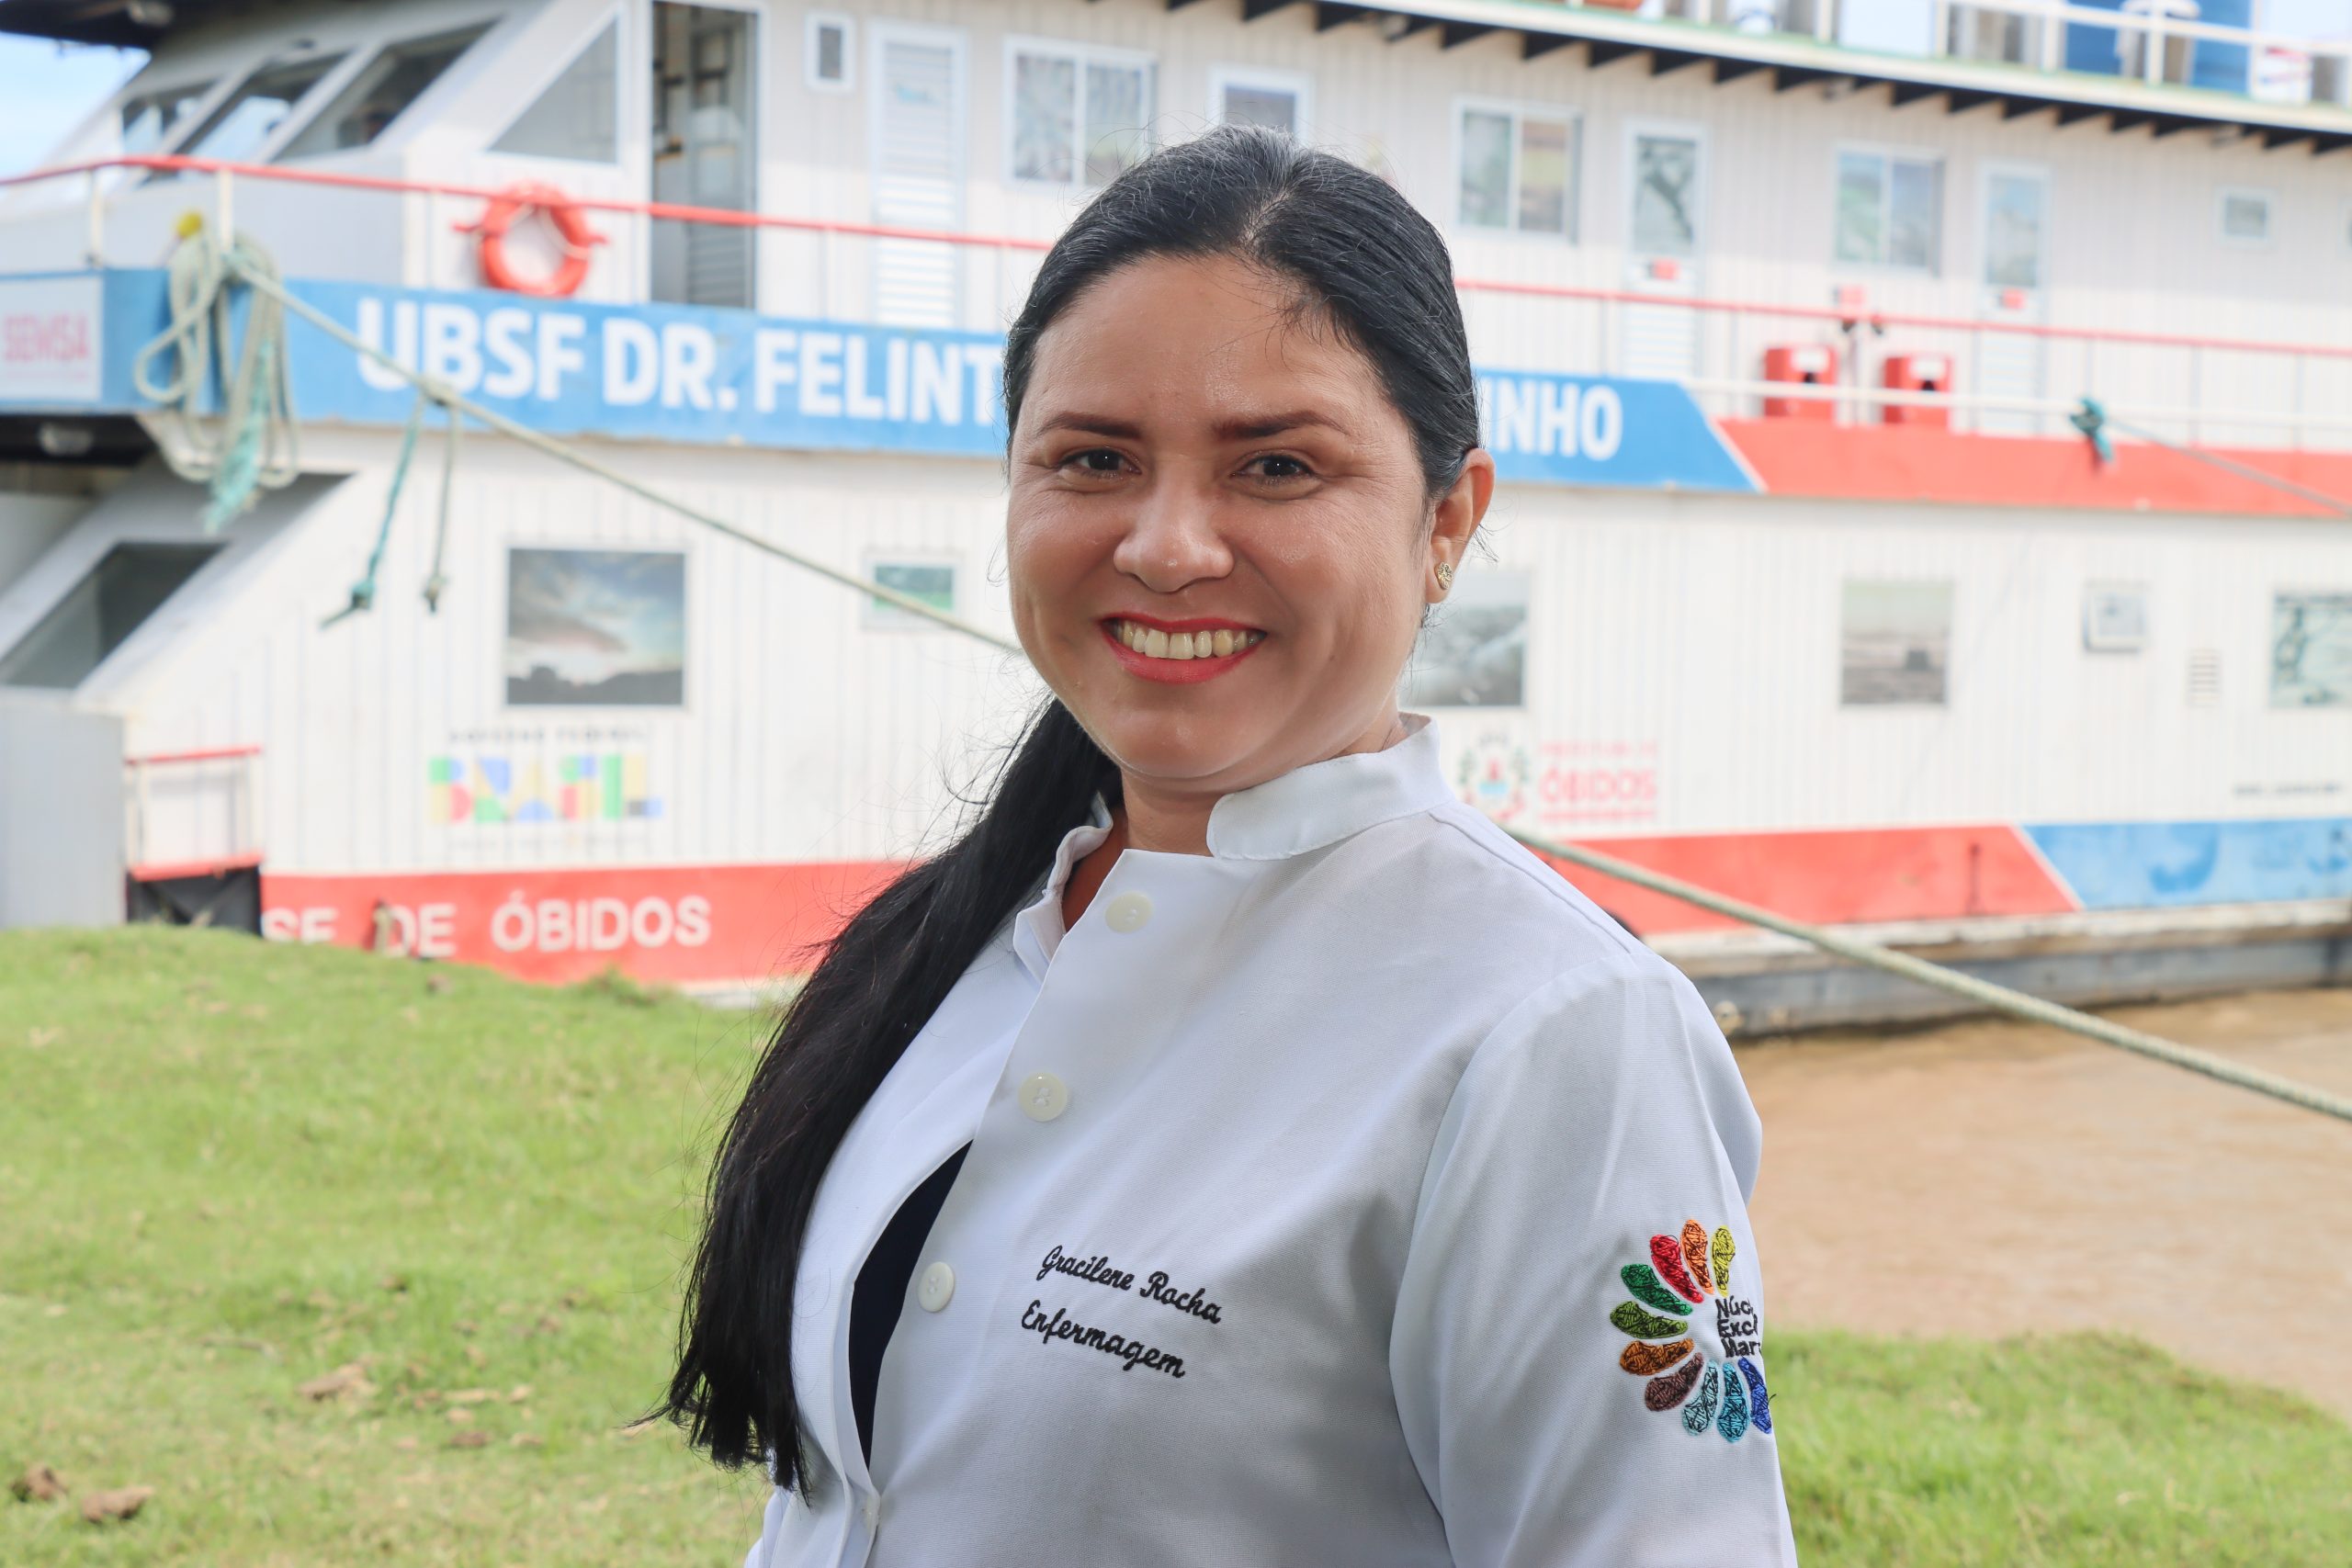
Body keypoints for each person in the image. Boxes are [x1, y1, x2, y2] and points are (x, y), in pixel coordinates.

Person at [660, 125, 1797, 1567]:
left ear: (1448, 520)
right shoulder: (973, 936)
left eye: (1275, 465)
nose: (1168, 546)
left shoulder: (1558, 1036)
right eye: (1094, 458)